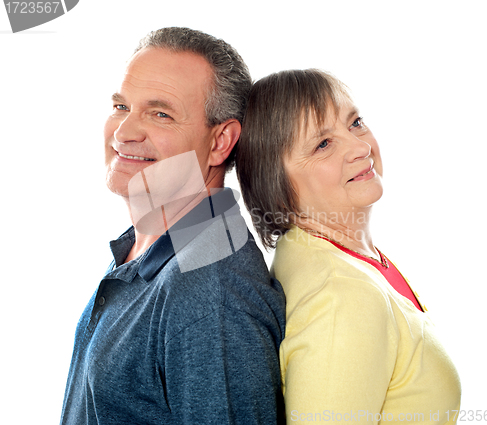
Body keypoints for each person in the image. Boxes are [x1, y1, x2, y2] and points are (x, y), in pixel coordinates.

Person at [60, 27, 286, 425]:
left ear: (220, 142)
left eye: (160, 113)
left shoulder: (211, 289)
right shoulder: (152, 251)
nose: (124, 133)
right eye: (120, 106)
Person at [236, 69, 461, 423]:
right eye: (323, 144)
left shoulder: (331, 253)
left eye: (355, 122)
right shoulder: (343, 298)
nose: (361, 146)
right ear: (275, 184)